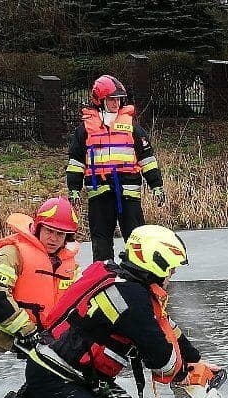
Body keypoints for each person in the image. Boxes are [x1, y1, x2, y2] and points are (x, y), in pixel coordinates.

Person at [0, 225, 223, 398]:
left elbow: (167, 327)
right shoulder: (131, 299)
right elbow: (162, 361)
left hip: (77, 374)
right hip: (56, 375)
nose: (172, 275)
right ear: (156, 264)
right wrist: (184, 374)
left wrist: (195, 360)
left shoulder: (124, 281)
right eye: (171, 269)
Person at [66, 75, 165, 263]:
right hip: (99, 193)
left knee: (137, 238)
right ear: (99, 100)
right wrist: (73, 189)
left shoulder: (132, 128)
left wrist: (156, 186)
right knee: (101, 241)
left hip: (128, 193)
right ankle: (103, 277)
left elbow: (147, 160)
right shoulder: (85, 130)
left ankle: (140, 275)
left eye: (119, 99)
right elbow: (76, 163)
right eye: (111, 99)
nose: (116, 103)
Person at [0, 197, 80, 358]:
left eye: (60, 234)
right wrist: (27, 330)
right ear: (38, 228)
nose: (54, 238)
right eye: (49, 230)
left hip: (34, 344)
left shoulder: (71, 266)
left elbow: (78, 302)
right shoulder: (11, 253)